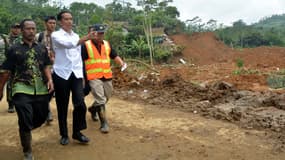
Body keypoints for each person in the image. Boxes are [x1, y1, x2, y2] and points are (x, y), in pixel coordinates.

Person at [0, 19, 53, 160]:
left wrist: (50, 79)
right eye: (28, 29)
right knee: (25, 117)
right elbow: (6, 71)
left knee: (42, 117)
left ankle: (26, 128)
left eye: (33, 28)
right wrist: (0, 89)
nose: (31, 31)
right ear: (22, 31)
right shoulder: (14, 49)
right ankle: (27, 151)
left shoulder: (41, 48)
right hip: (20, 87)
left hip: (40, 87)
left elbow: (46, 65)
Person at [51, 10, 91, 145]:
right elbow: (68, 45)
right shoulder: (55, 35)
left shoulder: (76, 35)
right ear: (60, 22)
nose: (69, 21)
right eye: (66, 19)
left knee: (80, 103)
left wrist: (82, 75)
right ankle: (64, 134)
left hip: (76, 74)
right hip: (61, 74)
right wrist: (85, 39)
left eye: (71, 19)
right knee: (62, 105)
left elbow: (78, 57)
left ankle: (77, 132)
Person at [82, 24, 127, 133]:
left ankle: (93, 109)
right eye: (98, 33)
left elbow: (114, 55)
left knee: (107, 96)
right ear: (93, 33)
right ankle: (104, 124)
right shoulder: (85, 45)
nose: (101, 35)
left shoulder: (107, 44)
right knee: (100, 99)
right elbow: (80, 61)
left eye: (102, 33)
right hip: (93, 76)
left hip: (106, 75)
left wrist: (121, 64)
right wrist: (83, 78)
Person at [35, 15, 56, 124]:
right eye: (50, 23)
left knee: (53, 90)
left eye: (54, 23)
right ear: (45, 23)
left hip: (57, 67)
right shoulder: (39, 36)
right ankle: (47, 111)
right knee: (45, 88)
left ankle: (45, 106)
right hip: (43, 67)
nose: (52, 25)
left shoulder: (59, 36)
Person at [3, 23, 21, 113]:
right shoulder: (5, 39)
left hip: (20, 66)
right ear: (11, 28)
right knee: (10, 85)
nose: (17, 30)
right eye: (15, 28)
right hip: (9, 66)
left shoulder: (22, 39)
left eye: (18, 28)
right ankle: (11, 104)